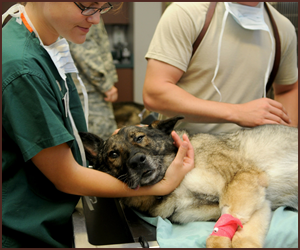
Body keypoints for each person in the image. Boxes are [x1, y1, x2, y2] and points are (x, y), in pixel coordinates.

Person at [2, 2, 194, 248]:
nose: (94, 20)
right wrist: (163, 184)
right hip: (22, 233)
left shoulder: (44, 45)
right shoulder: (23, 68)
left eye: (102, 9)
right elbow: (66, 177)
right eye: (87, 6)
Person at [143, 2, 298, 135]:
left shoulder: (283, 29)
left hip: (251, 155)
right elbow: (155, 93)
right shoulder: (187, 13)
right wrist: (237, 112)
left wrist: (285, 140)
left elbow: (288, 89)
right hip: (186, 154)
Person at [69, 18, 119, 140]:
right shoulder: (84, 10)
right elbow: (84, 50)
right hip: (89, 90)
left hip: (85, 88)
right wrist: (105, 85)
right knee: (100, 142)